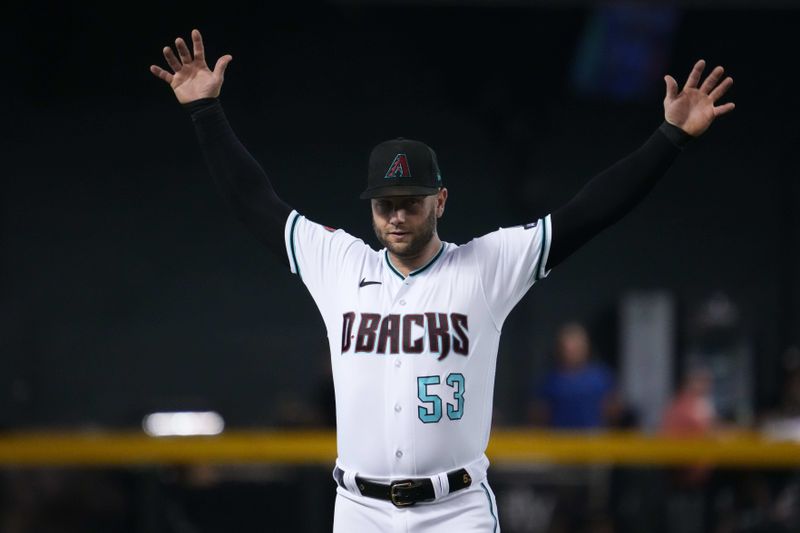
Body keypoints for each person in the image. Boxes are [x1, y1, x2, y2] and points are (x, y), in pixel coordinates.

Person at [150, 29, 734, 532]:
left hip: (455, 510)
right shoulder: (339, 264)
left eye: (410, 201)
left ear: (440, 200)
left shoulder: (487, 266)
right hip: (358, 510)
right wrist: (206, 112)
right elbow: (255, 200)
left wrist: (668, 139)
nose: (397, 216)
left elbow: (587, 213)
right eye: (384, 204)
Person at [530, 322, 619, 430]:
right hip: (559, 439)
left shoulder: (600, 376)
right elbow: (539, 414)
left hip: (594, 439)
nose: (572, 352)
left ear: (586, 347)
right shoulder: (550, 380)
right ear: (560, 349)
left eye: (577, 346)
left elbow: (613, 411)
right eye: (568, 347)